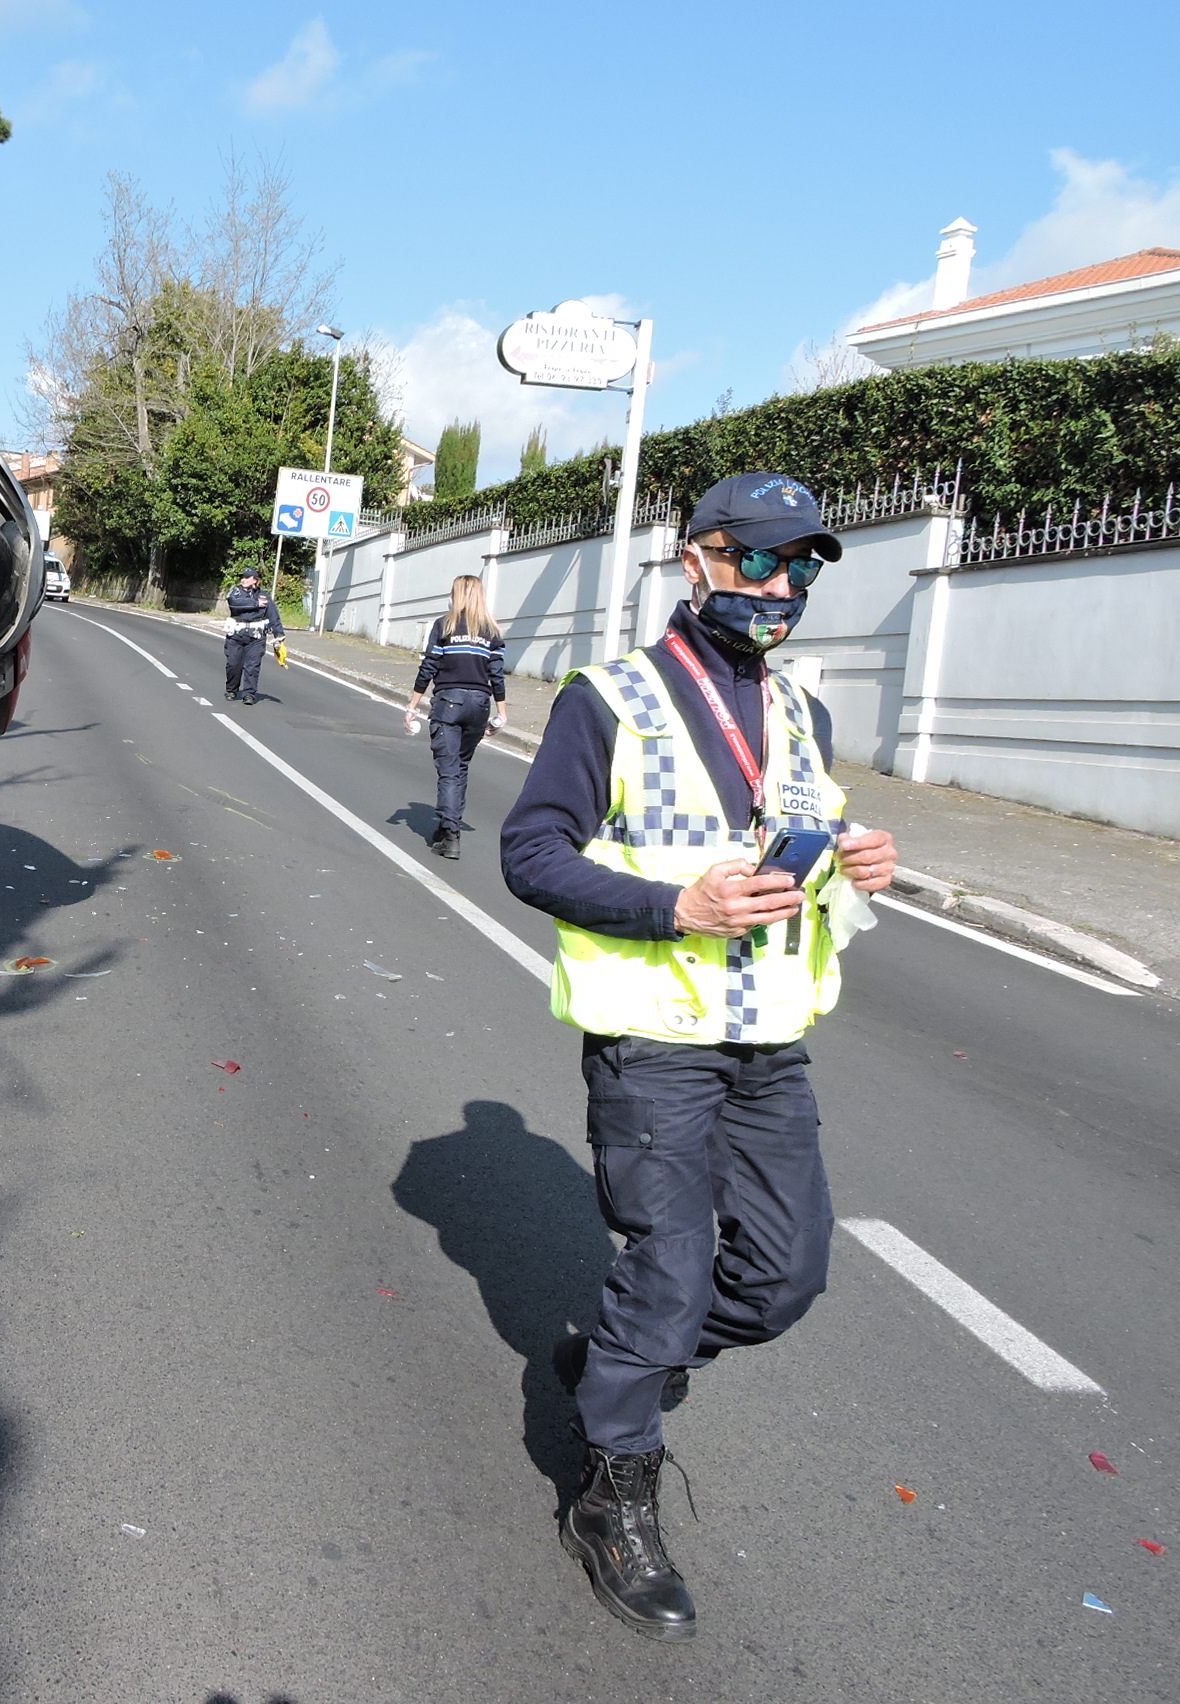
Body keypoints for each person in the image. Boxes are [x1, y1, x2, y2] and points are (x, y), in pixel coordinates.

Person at [497, 472, 899, 1642]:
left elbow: (790, 845)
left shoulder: (798, 711)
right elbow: (530, 853)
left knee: (784, 1279)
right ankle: (612, 1492)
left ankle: (626, 1356)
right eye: (762, 560)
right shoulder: (608, 699)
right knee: (667, 1267)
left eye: (804, 566)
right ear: (697, 560)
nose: (783, 587)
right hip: (655, 1044)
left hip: (770, 1041)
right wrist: (676, 905)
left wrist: (854, 860)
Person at [404, 574, 508, 858]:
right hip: (479, 704)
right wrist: (501, 713)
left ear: (457, 595)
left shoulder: (445, 625)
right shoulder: (492, 631)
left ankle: (451, 835)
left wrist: (413, 704)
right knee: (461, 766)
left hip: (449, 701)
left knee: (448, 769)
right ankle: (447, 826)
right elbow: (496, 674)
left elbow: (429, 666)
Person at [222, 568, 284, 704]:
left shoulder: (264, 596)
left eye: (247, 577)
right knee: (233, 664)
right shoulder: (235, 592)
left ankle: (249, 694)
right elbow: (234, 603)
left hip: (256, 637)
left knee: (252, 666)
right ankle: (232, 690)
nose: (243, 579)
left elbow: (273, 615)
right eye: (243, 577)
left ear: (255, 580)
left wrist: (279, 634)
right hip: (236, 635)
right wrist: (255, 604)